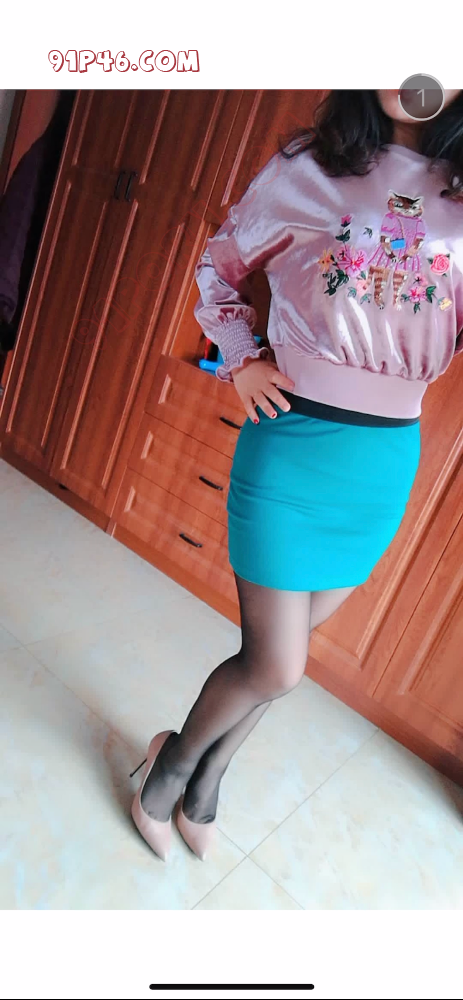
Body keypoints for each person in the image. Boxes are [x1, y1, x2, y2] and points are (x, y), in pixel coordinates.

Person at [131, 89, 463, 861]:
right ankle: (167, 765)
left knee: (280, 660)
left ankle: (206, 783)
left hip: (382, 461)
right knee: (276, 664)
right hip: (294, 437)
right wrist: (239, 359)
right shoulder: (308, 165)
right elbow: (219, 266)